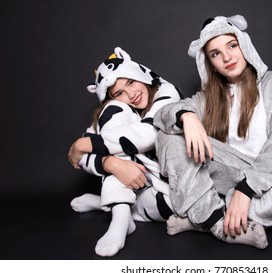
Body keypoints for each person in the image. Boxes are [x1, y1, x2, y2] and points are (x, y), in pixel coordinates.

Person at [153, 15, 272, 249]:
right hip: (225, 171)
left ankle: (206, 217)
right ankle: (215, 220)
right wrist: (187, 116)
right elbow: (162, 114)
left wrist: (246, 189)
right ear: (209, 63)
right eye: (215, 54)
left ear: (244, 45)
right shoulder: (207, 97)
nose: (227, 57)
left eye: (231, 46)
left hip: (269, 175)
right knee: (168, 134)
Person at [68, 47, 186, 257]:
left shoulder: (167, 92)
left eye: (131, 82)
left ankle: (108, 204)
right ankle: (120, 218)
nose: (131, 94)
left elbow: (145, 135)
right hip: (138, 181)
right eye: (119, 93)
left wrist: (82, 145)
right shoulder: (118, 110)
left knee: (180, 208)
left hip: (173, 185)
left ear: (141, 75)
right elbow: (84, 160)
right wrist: (111, 164)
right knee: (115, 122)